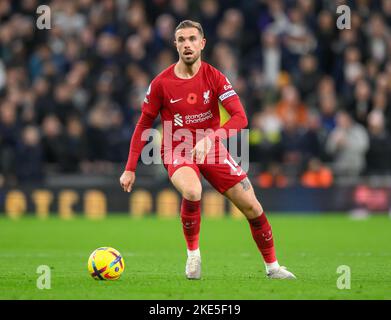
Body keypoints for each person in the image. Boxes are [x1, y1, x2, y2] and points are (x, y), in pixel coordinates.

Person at [119, 20, 295, 280]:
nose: (187, 44)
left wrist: (210, 138)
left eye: (192, 39)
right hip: (176, 148)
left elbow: (240, 118)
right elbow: (143, 124)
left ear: (202, 44)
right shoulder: (161, 83)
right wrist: (129, 168)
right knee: (192, 190)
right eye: (181, 40)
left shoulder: (215, 77)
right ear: (175, 45)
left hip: (211, 147)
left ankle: (273, 268)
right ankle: (193, 256)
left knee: (253, 207)